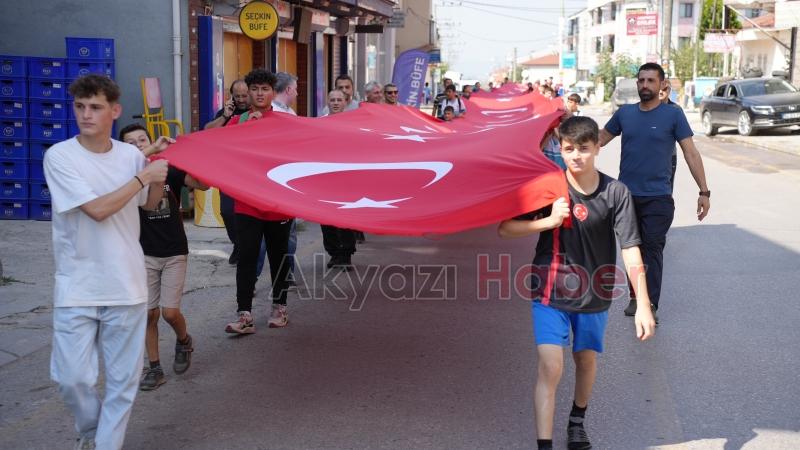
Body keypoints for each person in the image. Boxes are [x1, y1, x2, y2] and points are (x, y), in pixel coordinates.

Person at [499, 116, 656, 450]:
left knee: (585, 360)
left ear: (597, 148)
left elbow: (630, 248)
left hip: (593, 294)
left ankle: (576, 421)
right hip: (549, 288)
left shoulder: (616, 192)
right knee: (550, 364)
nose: (575, 156)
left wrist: (642, 302)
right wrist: (548, 221)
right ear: (561, 148)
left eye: (583, 149)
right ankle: (545, 445)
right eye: (569, 149)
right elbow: (506, 228)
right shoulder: (548, 187)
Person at [44, 74, 169, 450]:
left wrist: (160, 171)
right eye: (80, 106)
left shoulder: (131, 155)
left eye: (95, 107)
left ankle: (105, 445)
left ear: (113, 111)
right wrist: (143, 174)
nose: (86, 114)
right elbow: (97, 210)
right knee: (72, 378)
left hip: (126, 283)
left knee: (122, 382)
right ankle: (91, 432)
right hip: (77, 284)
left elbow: (147, 204)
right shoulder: (61, 156)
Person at [599, 63, 710, 321]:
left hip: (658, 196)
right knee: (631, 247)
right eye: (641, 81)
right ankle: (636, 296)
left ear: (662, 85)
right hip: (625, 197)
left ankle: (650, 304)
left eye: (650, 81)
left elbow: (690, 153)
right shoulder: (625, 114)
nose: (645, 85)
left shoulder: (673, 115)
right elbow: (599, 139)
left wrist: (704, 191)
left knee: (652, 247)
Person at [119, 124, 209, 391]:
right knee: (148, 314)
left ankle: (183, 340)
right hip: (143, 253)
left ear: (152, 141)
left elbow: (202, 184)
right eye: (131, 143)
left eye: (142, 140)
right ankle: (155, 367)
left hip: (173, 252)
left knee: (170, 313)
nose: (138, 146)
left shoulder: (169, 167)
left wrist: (193, 159)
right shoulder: (125, 177)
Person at [224, 68, 294, 334]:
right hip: (247, 201)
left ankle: (280, 307)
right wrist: (247, 125)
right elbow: (224, 150)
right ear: (248, 93)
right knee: (247, 257)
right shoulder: (237, 122)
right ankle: (244, 315)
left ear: (272, 92)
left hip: (277, 202)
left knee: (279, 256)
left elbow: (292, 155)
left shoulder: (284, 121)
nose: (260, 93)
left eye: (265, 89)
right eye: (255, 89)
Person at [204, 79, 250, 264]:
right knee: (227, 211)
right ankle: (238, 244)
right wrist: (225, 116)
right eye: (237, 96)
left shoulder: (256, 113)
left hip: (249, 172)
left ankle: (246, 248)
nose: (240, 100)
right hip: (229, 171)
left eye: (244, 95)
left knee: (247, 214)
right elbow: (207, 132)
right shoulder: (225, 114)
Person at [320, 89, 358, 269]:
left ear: (345, 102)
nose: (335, 103)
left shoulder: (353, 125)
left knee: (345, 217)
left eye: (339, 100)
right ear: (327, 102)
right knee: (325, 217)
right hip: (324, 178)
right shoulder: (319, 123)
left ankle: (346, 254)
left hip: (346, 179)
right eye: (332, 100)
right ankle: (334, 252)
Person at [271, 72, 301, 283]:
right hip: (273, 178)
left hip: (288, 178)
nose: (298, 93)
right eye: (296, 89)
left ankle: (286, 272)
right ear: (288, 89)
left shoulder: (290, 112)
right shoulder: (270, 112)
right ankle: (253, 276)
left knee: (289, 230)